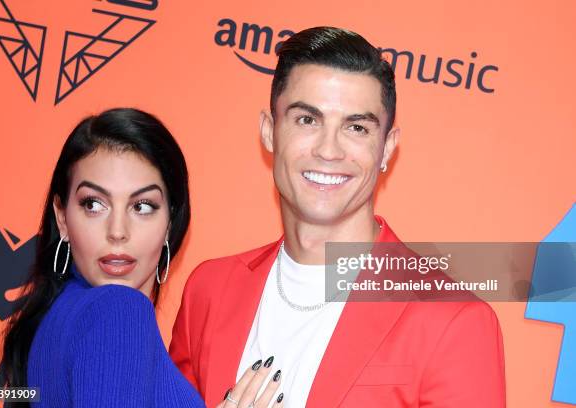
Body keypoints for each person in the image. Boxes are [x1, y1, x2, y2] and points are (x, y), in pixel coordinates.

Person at [169, 27, 506, 407]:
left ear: (386, 150)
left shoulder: (453, 324)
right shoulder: (209, 291)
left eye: (356, 127)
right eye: (307, 120)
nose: (329, 150)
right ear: (269, 132)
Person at [1, 108, 206, 407]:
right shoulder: (119, 309)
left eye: (143, 206)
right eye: (94, 204)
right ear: (62, 218)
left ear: (169, 224)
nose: (117, 232)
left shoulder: (53, 320)